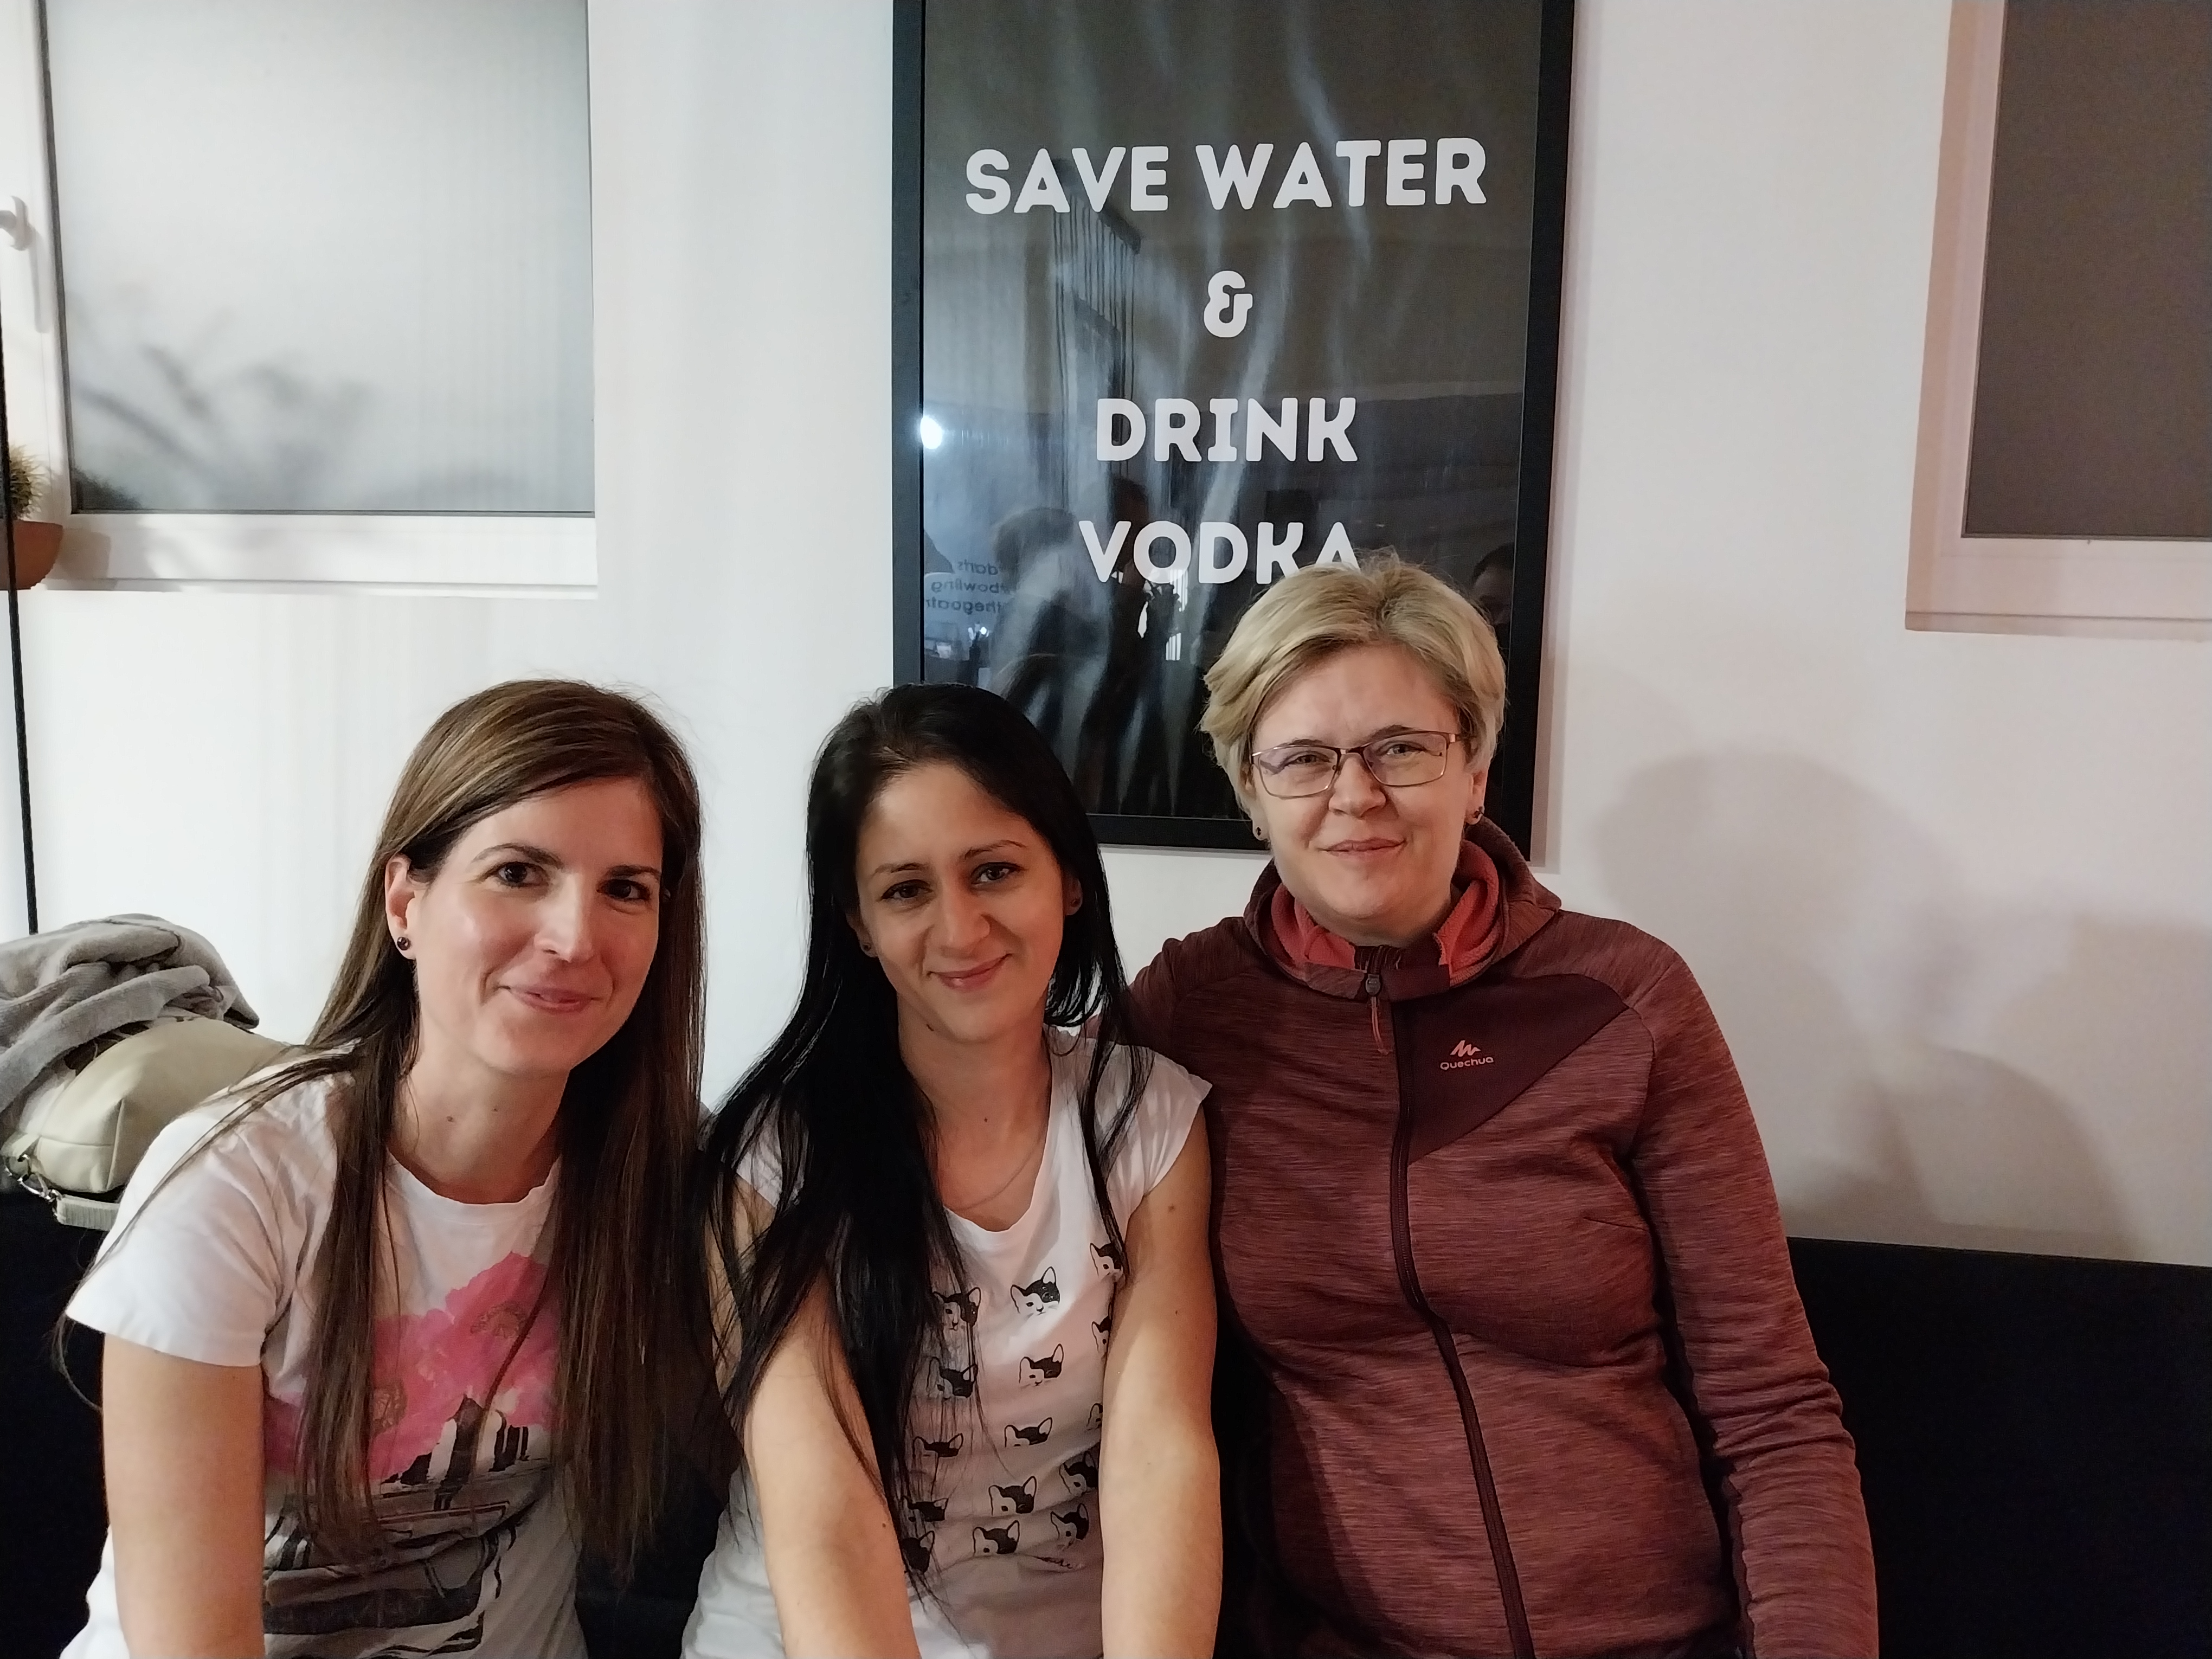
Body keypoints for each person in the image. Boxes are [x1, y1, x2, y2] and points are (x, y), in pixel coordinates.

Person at [1130, 560, 1879, 1658]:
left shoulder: (1625, 997)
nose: (1356, 795)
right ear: (1252, 789)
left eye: (1401, 748)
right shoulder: (1189, 1012)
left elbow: (1773, 1408)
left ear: (1475, 769)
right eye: (1303, 758)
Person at [62, 680, 719, 1658]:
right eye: (518, 873)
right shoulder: (234, 1186)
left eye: (626, 889)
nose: (576, 937)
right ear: (406, 902)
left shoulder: (666, 1170)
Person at [685, 683, 1218, 1659]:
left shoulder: (1148, 1120)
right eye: (906, 890)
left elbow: (1163, 1451)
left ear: (1068, 878)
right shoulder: (770, 1158)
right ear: (857, 922)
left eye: (994, 871)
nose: (961, 929)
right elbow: (818, 1498)